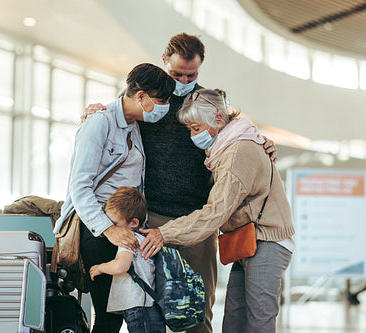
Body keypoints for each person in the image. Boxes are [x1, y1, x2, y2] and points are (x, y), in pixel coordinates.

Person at [83, 32, 277, 333]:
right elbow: (120, 113)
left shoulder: (207, 103)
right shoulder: (151, 100)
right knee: (151, 310)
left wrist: (262, 142)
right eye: (176, 73)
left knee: (197, 311)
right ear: (164, 61)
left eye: (191, 74)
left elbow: (234, 130)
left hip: (199, 220)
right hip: (152, 218)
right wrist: (94, 111)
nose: (184, 80)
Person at [141, 88, 295, 333]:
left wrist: (164, 233)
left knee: (259, 322)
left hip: (267, 241)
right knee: (234, 320)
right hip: (248, 242)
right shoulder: (230, 143)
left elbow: (215, 212)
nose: (193, 136)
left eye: (196, 128)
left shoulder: (237, 152)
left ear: (219, 119)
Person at [53, 63, 175, 333]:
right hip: (98, 228)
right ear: (141, 96)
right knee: (109, 316)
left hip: (124, 228)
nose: (165, 107)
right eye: (161, 101)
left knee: (121, 311)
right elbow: (80, 186)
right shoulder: (100, 122)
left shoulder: (134, 126)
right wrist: (108, 230)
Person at [89, 186, 165, 333]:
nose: (112, 228)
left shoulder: (129, 240)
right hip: (152, 306)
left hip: (138, 307)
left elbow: (121, 266)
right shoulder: (145, 239)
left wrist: (100, 268)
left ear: (134, 223)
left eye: (115, 224)